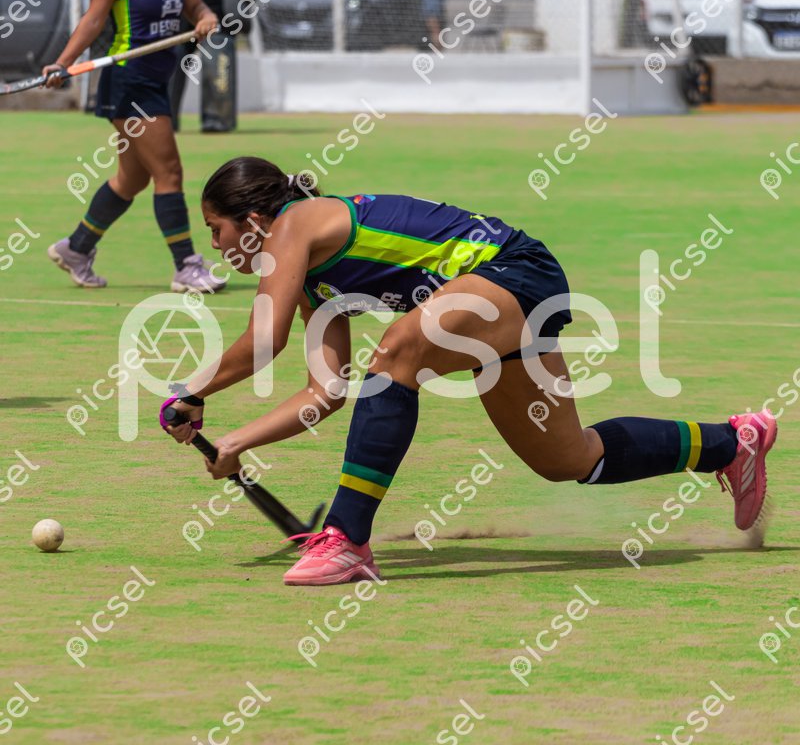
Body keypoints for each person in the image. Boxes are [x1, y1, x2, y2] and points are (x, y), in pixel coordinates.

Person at [161, 157, 777, 587]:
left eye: (217, 229)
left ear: (254, 219)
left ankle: (347, 539)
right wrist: (238, 441)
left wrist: (191, 390)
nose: (216, 246)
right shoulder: (314, 283)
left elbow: (262, 341)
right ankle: (732, 443)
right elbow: (326, 392)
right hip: (493, 303)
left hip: (512, 271)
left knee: (396, 353)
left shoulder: (293, 225)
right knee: (569, 458)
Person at [43, 0, 227, 293]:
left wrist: (205, 17)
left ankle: (76, 248)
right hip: (129, 82)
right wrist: (63, 63)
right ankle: (186, 267)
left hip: (156, 81)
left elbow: (195, 6)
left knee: (131, 180)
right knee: (169, 172)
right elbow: (94, 19)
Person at [169, 0, 251, 133]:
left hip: (218, 13)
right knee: (172, 63)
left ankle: (217, 119)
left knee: (218, 63)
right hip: (182, 11)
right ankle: (165, 118)